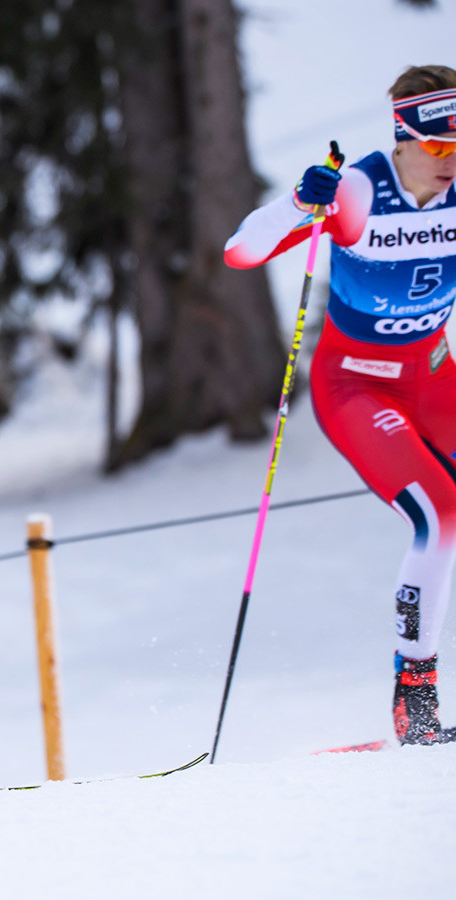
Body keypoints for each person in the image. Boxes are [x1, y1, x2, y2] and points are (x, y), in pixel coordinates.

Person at [224, 65, 456, 745]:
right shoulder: (357, 190)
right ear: (404, 139)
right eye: (439, 148)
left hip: (434, 374)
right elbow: (242, 251)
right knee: (441, 514)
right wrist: (300, 202)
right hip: (356, 383)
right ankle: (414, 704)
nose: (451, 163)